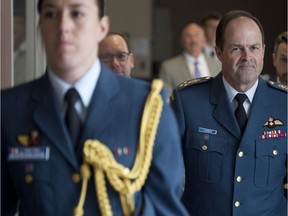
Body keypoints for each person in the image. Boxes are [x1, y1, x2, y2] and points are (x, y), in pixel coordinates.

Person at [1, 0, 189, 216]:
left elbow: (166, 209)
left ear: (102, 27)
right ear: (40, 26)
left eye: (77, 13)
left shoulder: (148, 107)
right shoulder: (9, 110)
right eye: (51, 14)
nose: (63, 26)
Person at [171, 10, 287, 215]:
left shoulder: (283, 103)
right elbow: (165, 175)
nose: (247, 57)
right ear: (219, 52)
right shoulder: (188, 101)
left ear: (263, 52)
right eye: (236, 48)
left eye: (254, 48)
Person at [159, 22, 221, 97]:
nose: (193, 40)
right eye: (188, 36)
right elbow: (165, 99)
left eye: (197, 35)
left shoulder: (218, 65)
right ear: (182, 41)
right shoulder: (168, 67)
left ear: (204, 40)